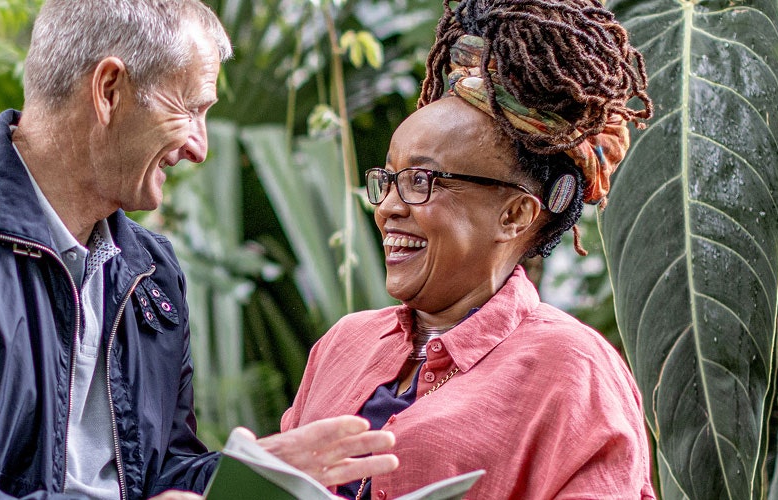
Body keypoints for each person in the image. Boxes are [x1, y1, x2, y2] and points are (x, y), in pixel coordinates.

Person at [0, 1, 397, 498]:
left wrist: (250, 477)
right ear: (109, 90)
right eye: (190, 108)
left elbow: (155, 479)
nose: (200, 148)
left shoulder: (151, 274)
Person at [280, 0, 657, 498]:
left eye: (421, 180)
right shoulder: (344, 345)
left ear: (515, 215)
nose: (388, 207)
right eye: (388, 180)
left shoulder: (572, 369)